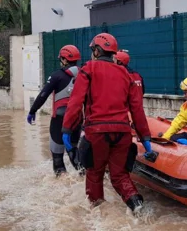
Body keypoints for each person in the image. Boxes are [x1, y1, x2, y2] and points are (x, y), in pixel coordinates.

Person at [61, 33, 156, 214]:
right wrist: (145, 138)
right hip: (122, 133)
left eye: (92, 50)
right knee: (120, 175)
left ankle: (99, 214)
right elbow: (137, 109)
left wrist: (66, 129)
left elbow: (75, 102)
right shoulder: (126, 75)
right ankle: (137, 205)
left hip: (97, 132)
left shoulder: (88, 69)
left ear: (97, 51)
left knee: (94, 173)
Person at [26, 44, 83, 177]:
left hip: (59, 119)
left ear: (64, 59)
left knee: (58, 159)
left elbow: (43, 95)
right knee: (75, 153)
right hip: (77, 118)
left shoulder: (57, 75)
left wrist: (32, 111)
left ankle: (62, 187)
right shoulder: (84, 75)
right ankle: (83, 181)